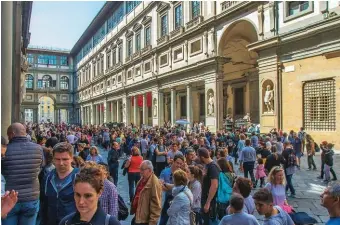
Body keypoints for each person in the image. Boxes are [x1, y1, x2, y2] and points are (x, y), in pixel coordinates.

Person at [2, 123, 44, 225]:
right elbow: (40, 167)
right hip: (31, 197)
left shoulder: (5, 151)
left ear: (11, 134)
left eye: (8, 135)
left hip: (10, 198)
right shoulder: (38, 149)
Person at [43, 142, 79, 225]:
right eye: (57, 159)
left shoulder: (79, 177)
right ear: (53, 159)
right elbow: (44, 203)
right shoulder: (48, 177)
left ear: (72, 158)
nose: (61, 163)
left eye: (65, 159)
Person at [130, 160, 162, 225]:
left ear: (149, 170)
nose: (140, 172)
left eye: (142, 170)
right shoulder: (142, 179)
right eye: (140, 169)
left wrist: (152, 223)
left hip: (145, 221)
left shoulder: (154, 183)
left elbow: (156, 206)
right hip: (138, 217)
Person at [159, 154, 186, 225]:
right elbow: (161, 186)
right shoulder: (165, 171)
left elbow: (185, 187)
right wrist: (176, 187)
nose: (179, 165)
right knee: (163, 220)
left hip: (180, 201)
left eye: (180, 164)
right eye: (177, 163)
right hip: (169, 199)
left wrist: (167, 185)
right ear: (173, 161)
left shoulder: (183, 173)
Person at [198, 148, 220, 225]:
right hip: (205, 198)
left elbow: (214, 186)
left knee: (209, 221)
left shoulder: (213, 167)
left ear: (202, 157)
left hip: (210, 201)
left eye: (198, 156)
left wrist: (208, 202)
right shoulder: (207, 165)